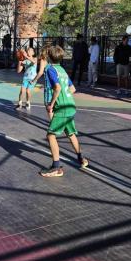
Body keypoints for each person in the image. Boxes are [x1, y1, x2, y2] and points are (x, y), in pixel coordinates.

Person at [40, 45, 89, 177]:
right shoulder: (62, 70)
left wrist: (52, 103)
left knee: (50, 135)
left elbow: (57, 87)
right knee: (71, 133)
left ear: (49, 57)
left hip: (61, 107)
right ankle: (81, 159)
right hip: (70, 105)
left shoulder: (50, 69)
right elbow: (72, 89)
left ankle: (56, 167)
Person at [30, 44, 53, 120]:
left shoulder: (44, 60)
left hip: (49, 85)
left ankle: (53, 125)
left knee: (48, 106)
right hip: (55, 84)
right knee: (55, 105)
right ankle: (56, 122)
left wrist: (34, 80)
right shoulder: (53, 59)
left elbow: (40, 72)